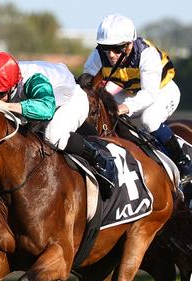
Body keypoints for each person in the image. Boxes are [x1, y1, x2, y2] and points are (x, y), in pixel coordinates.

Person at [0, 52, 118, 192]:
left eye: (0, 94)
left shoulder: (33, 79)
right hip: (42, 101)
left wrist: (7, 106)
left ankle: (100, 159)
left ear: (13, 85)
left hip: (69, 101)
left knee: (53, 135)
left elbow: (46, 109)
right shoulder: (2, 74)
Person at [82, 13, 192, 183]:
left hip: (162, 91)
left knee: (149, 120)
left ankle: (183, 161)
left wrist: (124, 108)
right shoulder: (98, 56)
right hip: (132, 92)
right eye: (106, 48)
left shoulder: (146, 54)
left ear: (129, 44)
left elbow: (149, 94)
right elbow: (87, 86)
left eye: (117, 48)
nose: (110, 55)